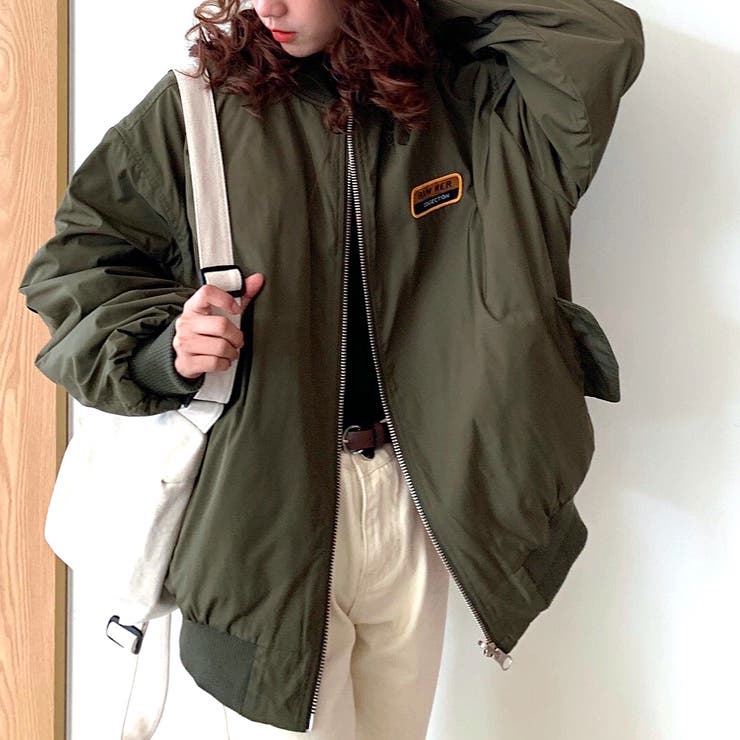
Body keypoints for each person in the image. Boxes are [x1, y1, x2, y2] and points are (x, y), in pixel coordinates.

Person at [19, 0, 644, 737]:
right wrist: (167, 349)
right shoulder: (199, 109)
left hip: (420, 502)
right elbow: (75, 271)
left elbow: (598, 35)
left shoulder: (476, 105)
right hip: (261, 514)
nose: (267, 7)